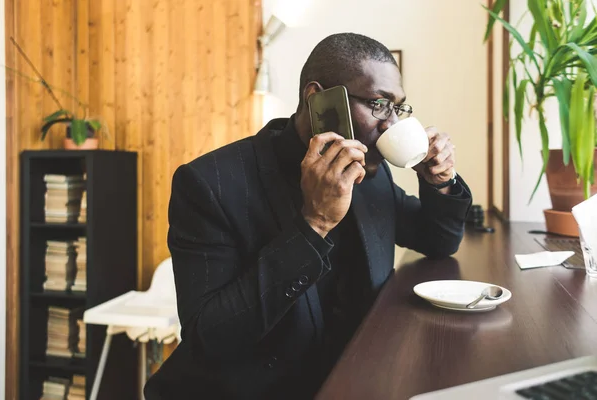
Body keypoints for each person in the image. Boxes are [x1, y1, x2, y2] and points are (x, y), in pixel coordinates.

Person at [144, 32, 472, 400]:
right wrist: (314, 224)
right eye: (379, 104)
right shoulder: (211, 184)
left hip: (354, 382)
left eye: (398, 108)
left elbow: (439, 239)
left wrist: (441, 182)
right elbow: (210, 337)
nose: (390, 123)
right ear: (317, 98)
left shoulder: (371, 176)